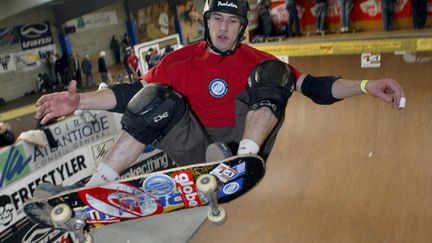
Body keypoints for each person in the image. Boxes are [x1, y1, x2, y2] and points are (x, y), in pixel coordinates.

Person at [35, 0, 405, 188]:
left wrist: (365, 86)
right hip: (195, 145)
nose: (224, 29)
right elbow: (130, 93)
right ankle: (98, 185)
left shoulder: (257, 59)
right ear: (206, 22)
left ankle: (241, 158)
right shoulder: (178, 60)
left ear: (242, 27)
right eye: (217, 20)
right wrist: (78, 100)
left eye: (232, 22)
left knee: (275, 74)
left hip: (242, 140)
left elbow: (316, 88)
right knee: (153, 96)